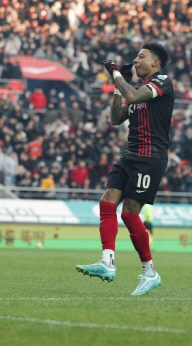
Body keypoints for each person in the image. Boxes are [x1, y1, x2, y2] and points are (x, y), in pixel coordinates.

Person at [76, 43, 173, 296]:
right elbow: (116, 118)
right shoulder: (138, 87)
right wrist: (120, 84)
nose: (136, 60)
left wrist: (117, 75)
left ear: (155, 63)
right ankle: (107, 262)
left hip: (149, 158)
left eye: (142, 57)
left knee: (130, 214)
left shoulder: (162, 81)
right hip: (131, 155)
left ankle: (150, 271)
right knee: (107, 202)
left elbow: (132, 97)